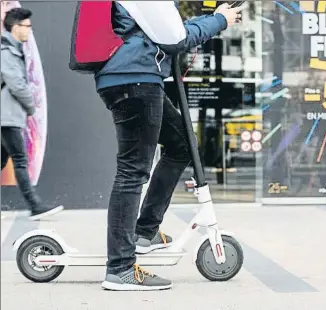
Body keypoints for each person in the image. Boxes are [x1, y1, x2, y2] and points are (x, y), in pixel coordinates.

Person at [96, 2, 244, 291]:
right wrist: (219, 20)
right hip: (136, 81)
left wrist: (215, 17)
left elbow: (165, 30)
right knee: (132, 172)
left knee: (181, 146)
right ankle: (120, 269)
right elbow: (176, 38)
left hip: (134, 78)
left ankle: (145, 232)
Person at [1, 8, 63, 220]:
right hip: (6, 117)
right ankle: (35, 205)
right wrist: (31, 106)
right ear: (15, 27)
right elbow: (16, 84)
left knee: (3, 160)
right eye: (26, 26)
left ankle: (35, 205)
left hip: (8, 116)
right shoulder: (6, 51)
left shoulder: (11, 49)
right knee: (19, 159)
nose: (29, 30)